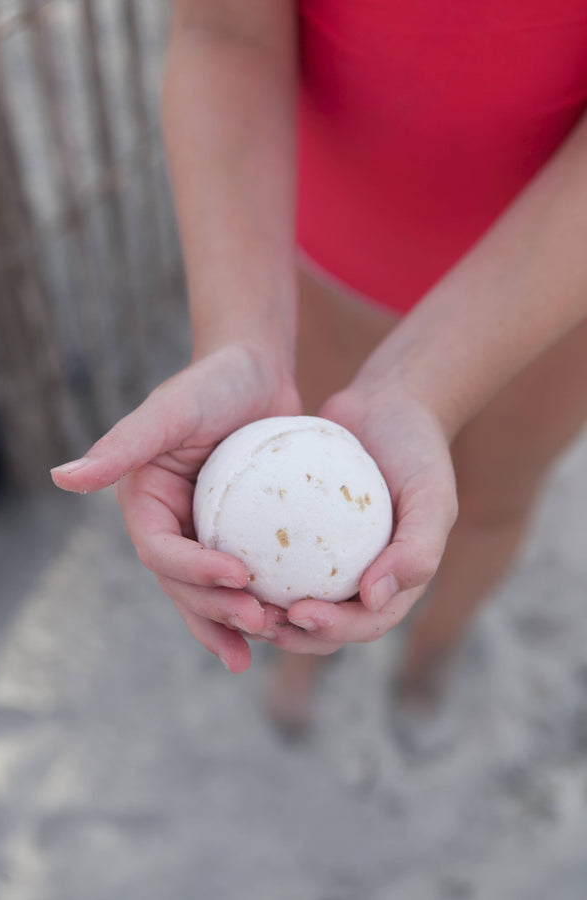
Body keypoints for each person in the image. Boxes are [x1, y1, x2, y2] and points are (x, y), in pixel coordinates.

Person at [52, 1, 587, 735]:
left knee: (493, 501)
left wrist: (419, 387)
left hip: (561, 288)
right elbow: (227, 29)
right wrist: (245, 340)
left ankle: (432, 652)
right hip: (339, 249)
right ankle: (303, 651)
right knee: (315, 470)